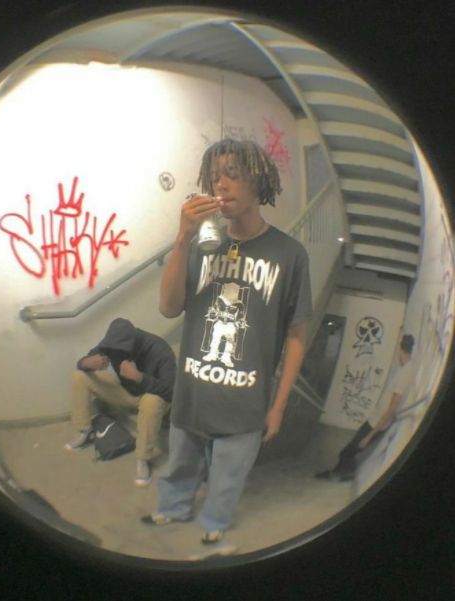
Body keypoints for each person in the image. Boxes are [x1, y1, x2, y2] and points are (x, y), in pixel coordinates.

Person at [141, 138, 313, 553]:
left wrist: (279, 404)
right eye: (215, 175)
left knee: (228, 476)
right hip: (193, 392)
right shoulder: (201, 244)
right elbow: (168, 308)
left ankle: (215, 522)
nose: (222, 183)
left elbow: (296, 335)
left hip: (247, 401)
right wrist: (183, 237)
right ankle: (175, 507)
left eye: (233, 174)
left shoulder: (289, 254)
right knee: (180, 463)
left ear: (259, 182)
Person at [65, 318, 176, 487]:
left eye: (122, 353)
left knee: (151, 401)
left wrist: (139, 377)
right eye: (113, 353)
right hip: (127, 394)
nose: (116, 356)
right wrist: (87, 362)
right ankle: (84, 431)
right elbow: (82, 363)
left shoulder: (159, 349)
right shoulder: (112, 343)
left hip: (152, 399)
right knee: (80, 375)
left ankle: (143, 459)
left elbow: (171, 392)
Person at [315, 333, 415, 482]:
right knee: (350, 450)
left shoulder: (404, 374)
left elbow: (392, 409)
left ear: (401, 349)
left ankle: (340, 474)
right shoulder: (406, 370)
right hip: (374, 421)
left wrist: (369, 435)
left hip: (376, 425)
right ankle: (342, 473)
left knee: (347, 452)